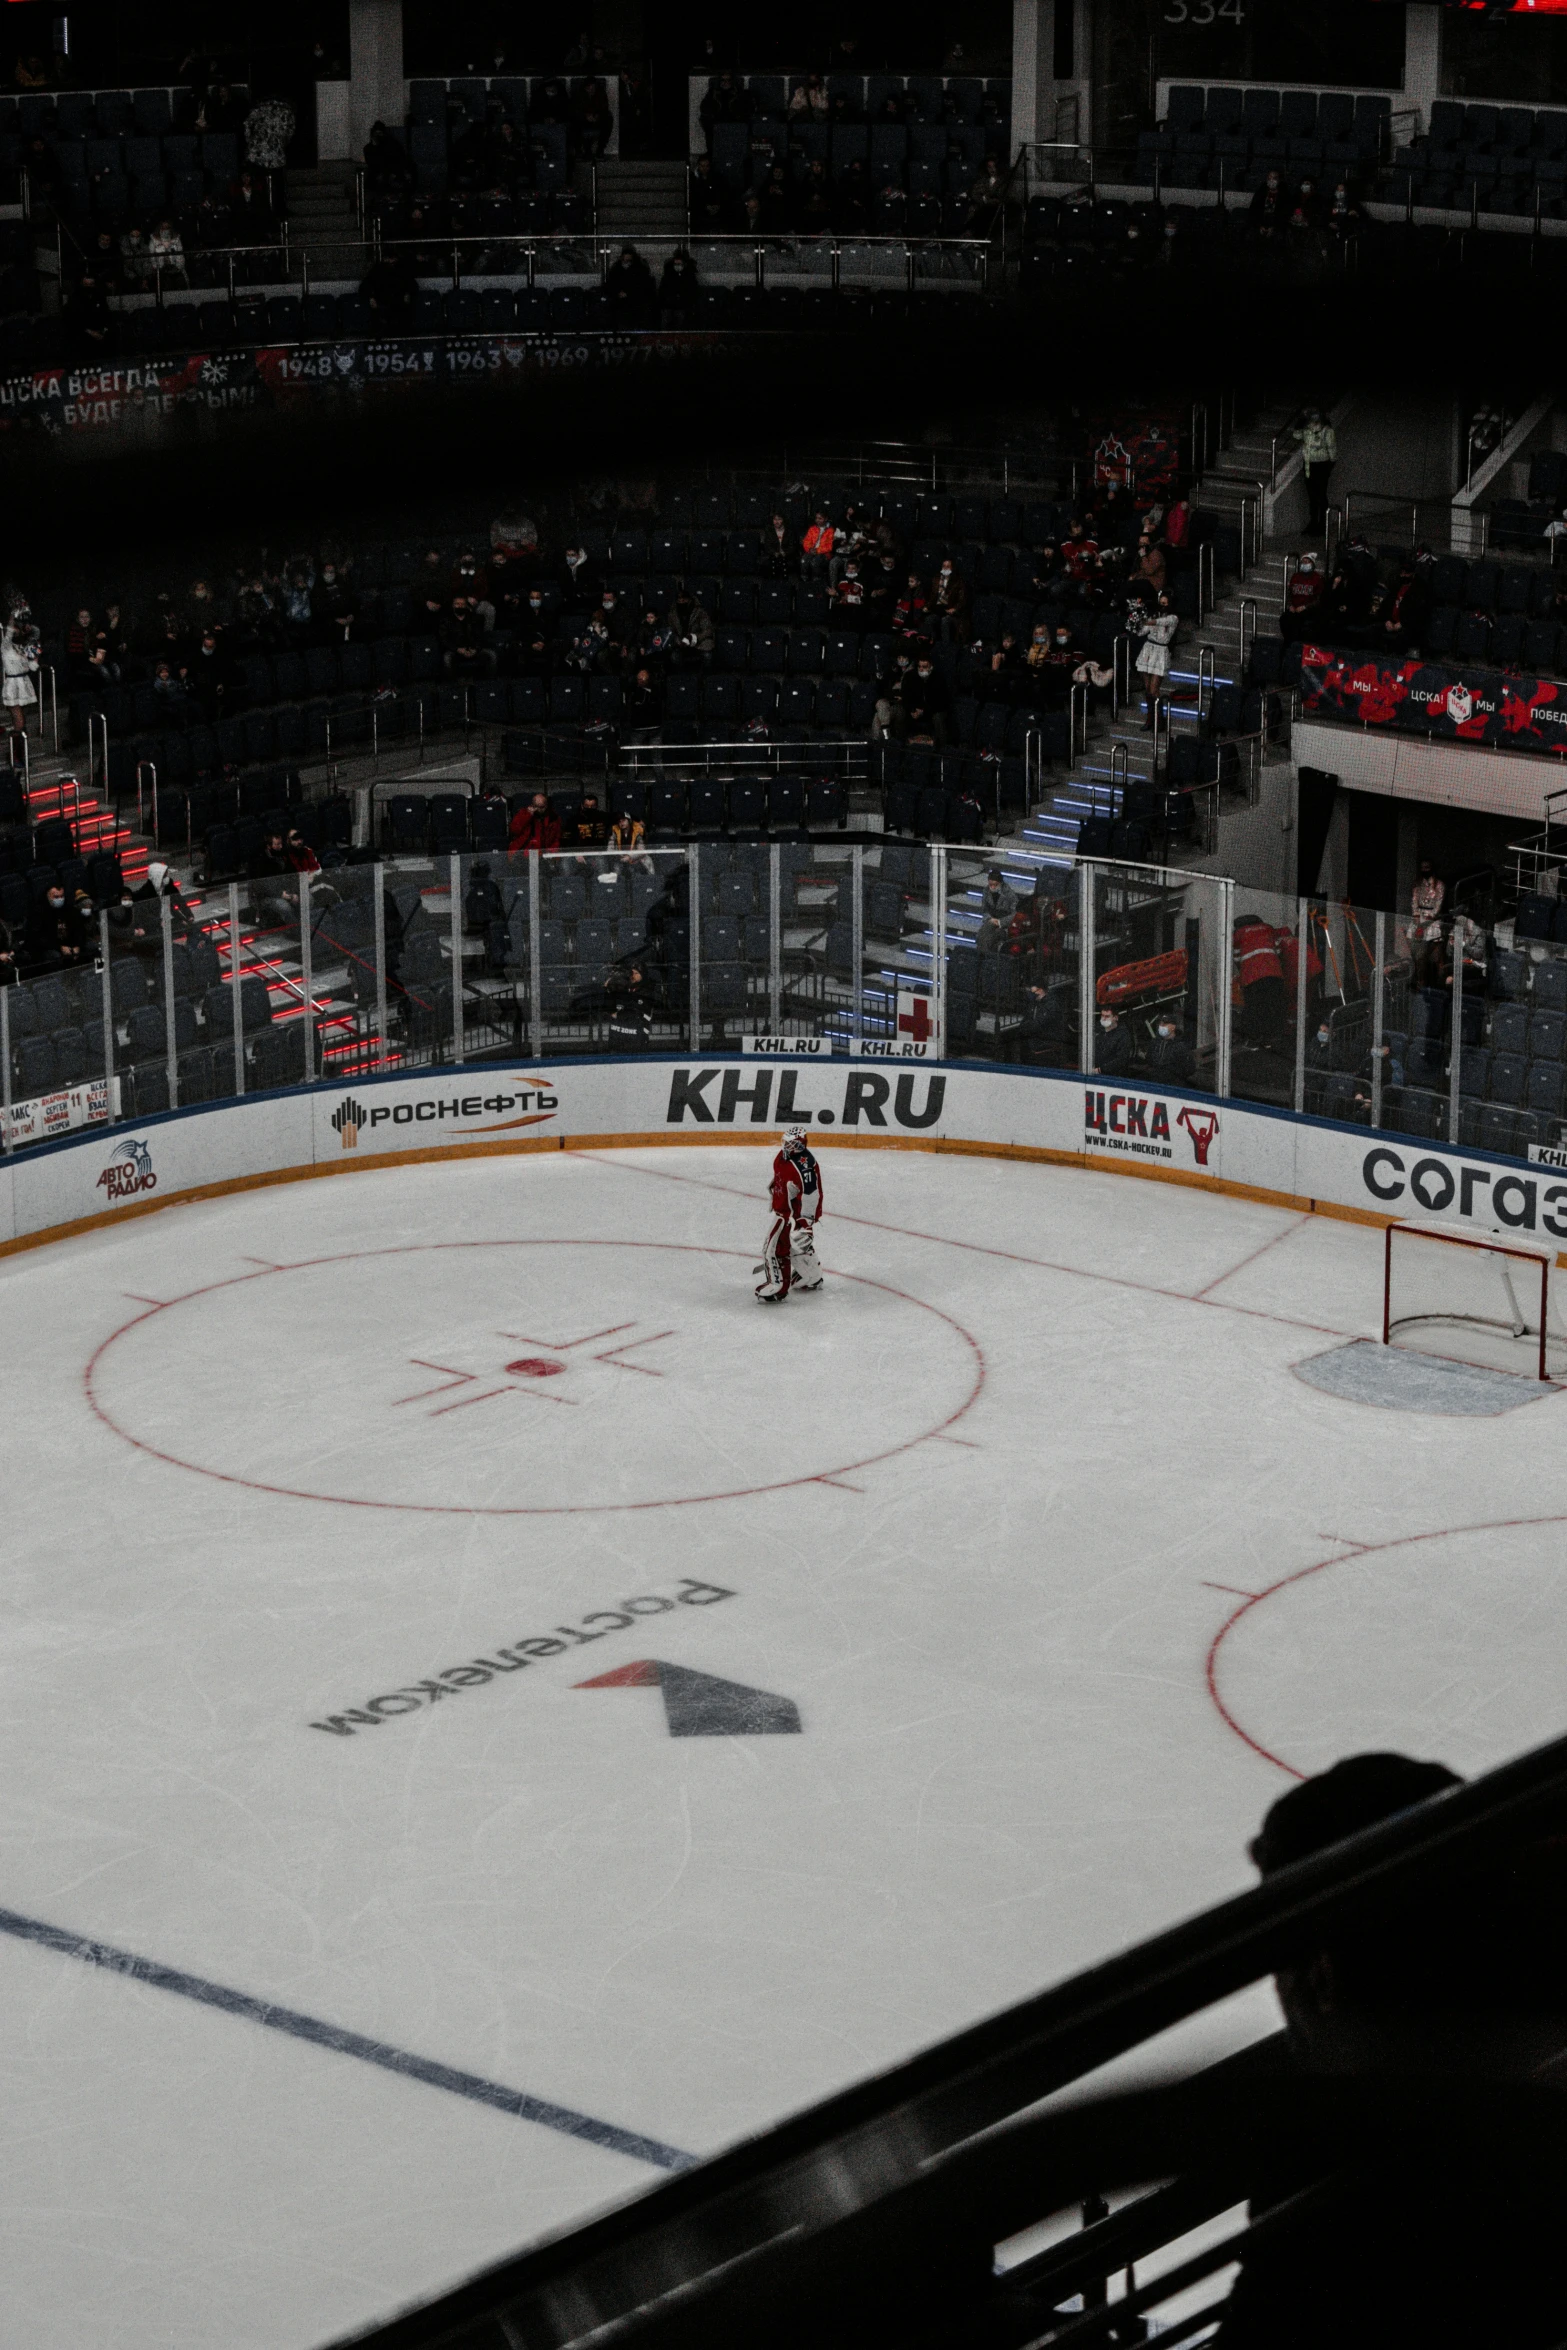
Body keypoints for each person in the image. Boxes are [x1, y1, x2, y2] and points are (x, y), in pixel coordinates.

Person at [755, 1124, 824, 1302]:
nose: (785, 1146)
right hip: (787, 1209)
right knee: (796, 1247)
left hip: (791, 1214)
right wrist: (775, 1185)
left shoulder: (805, 1166)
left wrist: (805, 1223)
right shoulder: (784, 1156)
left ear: (800, 1145)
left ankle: (777, 1287)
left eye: (790, 1144)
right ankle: (811, 1277)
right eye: (785, 1142)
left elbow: (811, 1195)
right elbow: (782, 1174)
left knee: (773, 1248)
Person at [1134, 591, 1178, 730]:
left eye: (1165, 603)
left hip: (1160, 651)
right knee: (1147, 690)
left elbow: (1160, 622)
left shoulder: (1173, 618)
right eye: (1161, 603)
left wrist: (1148, 619)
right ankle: (1149, 720)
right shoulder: (1154, 615)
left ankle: (1159, 720)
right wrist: (1136, 621)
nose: (1162, 606)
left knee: (1154, 690)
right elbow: (1141, 632)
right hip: (1148, 649)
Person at [1294, 405, 1337, 537]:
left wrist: (1330, 465)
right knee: (1313, 496)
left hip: (1322, 465)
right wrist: (1301, 419)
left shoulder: (1327, 431)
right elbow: (1296, 435)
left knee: (1321, 496)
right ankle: (1313, 522)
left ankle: (1322, 525)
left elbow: (1332, 449)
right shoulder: (1307, 430)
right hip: (1309, 465)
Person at [1, 604, 38, 735]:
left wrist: (35, 658)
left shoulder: (23, 647)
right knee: (18, 718)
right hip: (13, 683)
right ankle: (16, 749)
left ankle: (19, 747)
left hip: (24, 682)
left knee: (22, 719)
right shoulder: (5, 647)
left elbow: (33, 667)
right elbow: (9, 632)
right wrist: (12, 615)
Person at [976, 868, 1018, 951]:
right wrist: (989, 919)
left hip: (1004, 926)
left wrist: (1000, 922)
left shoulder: (1010, 895)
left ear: (1000, 883)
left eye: (995, 885)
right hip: (991, 921)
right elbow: (984, 910)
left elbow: (1015, 914)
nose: (992, 887)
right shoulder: (986, 891)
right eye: (990, 884)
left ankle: (985, 956)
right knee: (980, 935)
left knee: (991, 938)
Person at [1148, 1013, 1195, 1084]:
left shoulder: (1181, 1045)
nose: (1161, 1026)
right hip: (1155, 1083)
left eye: (1164, 1024)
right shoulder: (1155, 1042)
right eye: (1160, 1024)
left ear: (1173, 1027)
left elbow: (1189, 1069)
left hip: (1172, 1085)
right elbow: (1149, 1059)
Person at [1095, 1005, 1134, 1075]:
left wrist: (1101, 1070)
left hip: (1112, 1077)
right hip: (1095, 1072)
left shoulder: (1123, 1035)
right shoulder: (1098, 1031)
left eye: (1107, 1016)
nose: (1103, 1019)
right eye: (1102, 1015)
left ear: (1115, 1017)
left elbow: (1121, 1059)